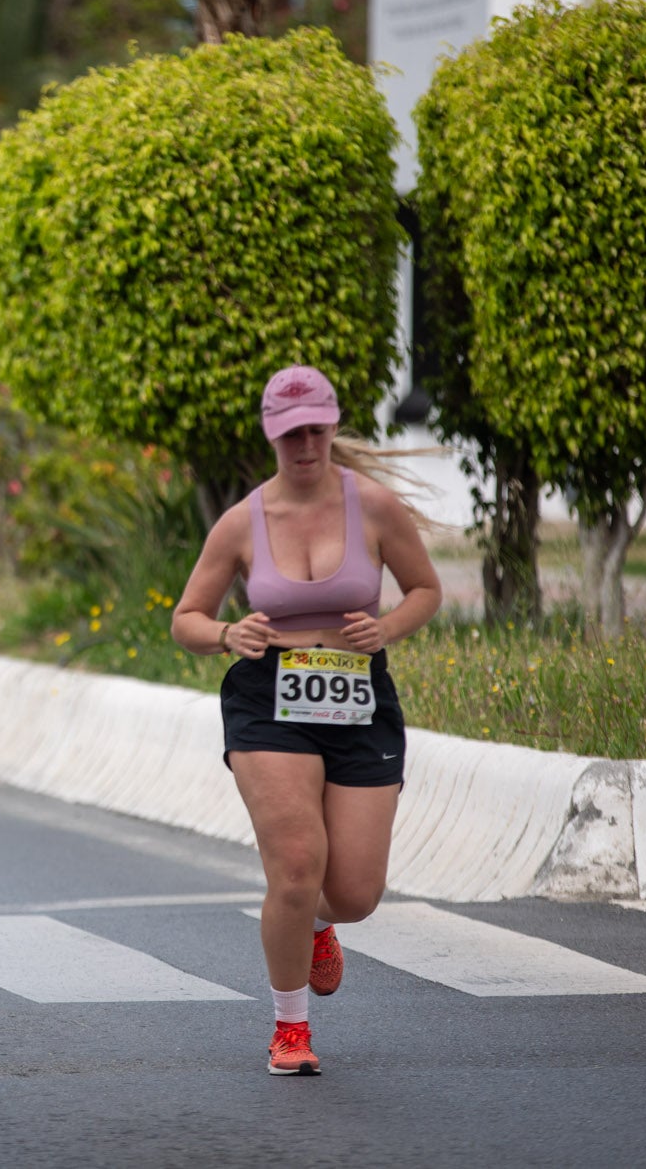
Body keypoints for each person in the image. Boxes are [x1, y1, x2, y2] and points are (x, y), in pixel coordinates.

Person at [171, 365, 442, 1077]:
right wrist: (229, 634)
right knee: (295, 866)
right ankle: (289, 1027)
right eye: (291, 433)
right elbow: (185, 619)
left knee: (353, 892)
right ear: (272, 435)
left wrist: (387, 629)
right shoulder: (243, 521)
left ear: (332, 425)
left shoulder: (374, 507)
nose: (306, 444)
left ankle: (320, 925)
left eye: (317, 429)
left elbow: (425, 589)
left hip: (359, 696)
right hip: (268, 697)